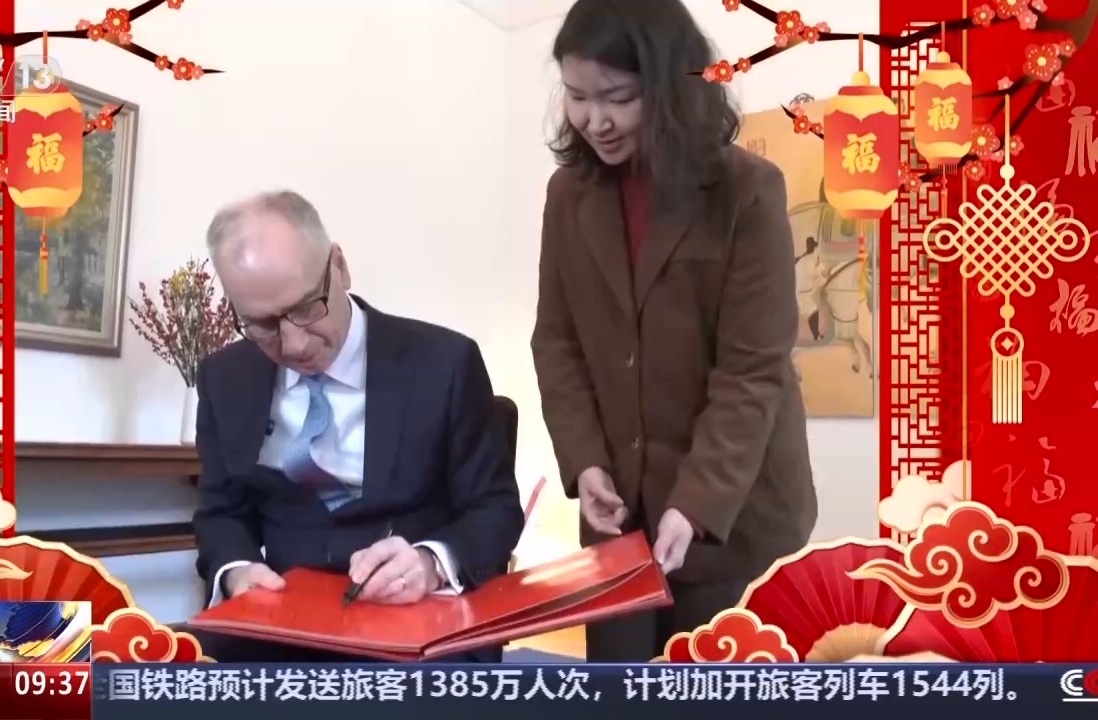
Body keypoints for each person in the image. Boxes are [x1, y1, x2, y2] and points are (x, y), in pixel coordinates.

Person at [530, 0, 817, 662]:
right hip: (618, 527)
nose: (594, 120)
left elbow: (752, 371)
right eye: (577, 96)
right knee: (619, 686)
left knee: (719, 687)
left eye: (618, 98)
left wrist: (695, 504)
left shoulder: (746, 191)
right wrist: (585, 461)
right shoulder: (568, 197)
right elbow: (557, 342)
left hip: (736, 519)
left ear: (670, 88)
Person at [193, 190, 523, 662]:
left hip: (420, 622)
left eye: (306, 308)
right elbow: (221, 513)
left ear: (339, 267)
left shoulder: (444, 364)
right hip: (283, 626)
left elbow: (496, 509)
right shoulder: (226, 378)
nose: (294, 344)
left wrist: (430, 562)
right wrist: (238, 571)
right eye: (261, 325)